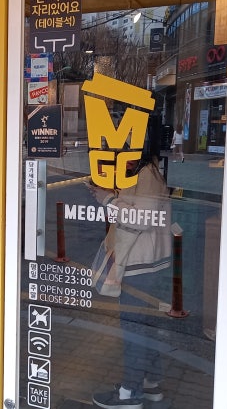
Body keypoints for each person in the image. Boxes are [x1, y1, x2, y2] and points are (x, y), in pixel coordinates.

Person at [88, 153, 172, 409]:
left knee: (134, 330)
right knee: (144, 327)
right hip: (147, 262)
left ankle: (130, 393)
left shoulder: (146, 174)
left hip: (140, 265)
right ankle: (150, 382)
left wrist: (108, 199)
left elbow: (142, 219)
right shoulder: (148, 170)